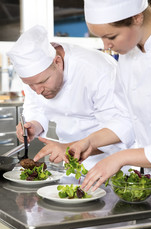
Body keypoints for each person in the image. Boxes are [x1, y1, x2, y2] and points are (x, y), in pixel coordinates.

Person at [7, 25, 130, 170]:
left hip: (113, 164)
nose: (37, 91)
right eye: (30, 85)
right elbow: (36, 107)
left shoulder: (98, 70)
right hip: (70, 163)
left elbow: (123, 125)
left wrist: (67, 147)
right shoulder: (35, 76)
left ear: (57, 62)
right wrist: (33, 125)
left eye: (42, 82)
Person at [67, 0, 151, 191]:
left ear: (137, 17)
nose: (107, 46)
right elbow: (128, 117)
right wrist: (90, 141)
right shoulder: (128, 52)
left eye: (111, 36)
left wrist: (121, 157)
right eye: (100, 38)